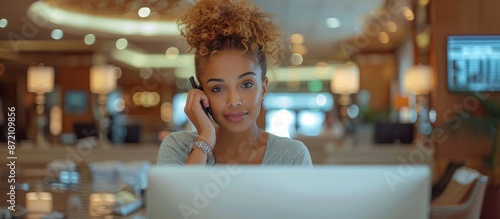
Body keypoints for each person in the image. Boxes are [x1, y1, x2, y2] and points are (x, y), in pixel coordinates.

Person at [157, 0, 312, 166]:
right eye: (218, 88)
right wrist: (206, 138)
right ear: (201, 94)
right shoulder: (178, 147)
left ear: (263, 88)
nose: (234, 101)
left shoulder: (291, 156)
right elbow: (180, 193)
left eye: (246, 84)